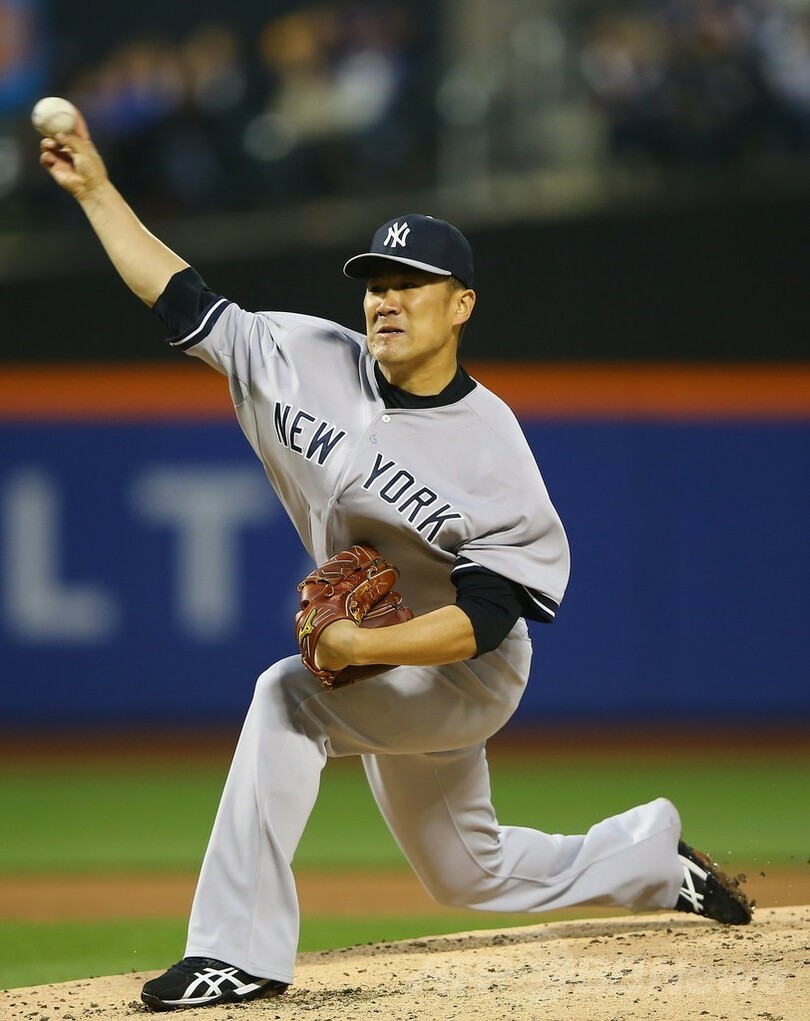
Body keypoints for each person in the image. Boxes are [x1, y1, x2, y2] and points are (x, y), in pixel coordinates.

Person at [39, 107, 751, 1013]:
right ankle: (649, 860)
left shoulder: (492, 447)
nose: (386, 298)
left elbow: (486, 619)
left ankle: (234, 952)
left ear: (462, 305)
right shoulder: (301, 358)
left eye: (412, 284)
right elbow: (180, 295)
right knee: (466, 871)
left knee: (285, 696)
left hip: (466, 672)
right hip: (380, 655)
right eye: (376, 282)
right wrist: (97, 190)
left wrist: (359, 649)